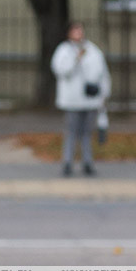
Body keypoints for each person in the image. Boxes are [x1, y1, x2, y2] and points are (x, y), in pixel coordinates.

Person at [50, 22, 111, 177]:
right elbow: (61, 70)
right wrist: (76, 59)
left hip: (90, 100)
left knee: (87, 133)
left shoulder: (92, 50)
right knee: (71, 132)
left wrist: (105, 94)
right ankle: (67, 162)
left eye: (80, 30)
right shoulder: (64, 50)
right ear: (69, 33)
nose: (78, 33)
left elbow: (103, 73)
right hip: (72, 100)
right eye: (75, 30)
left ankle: (87, 162)